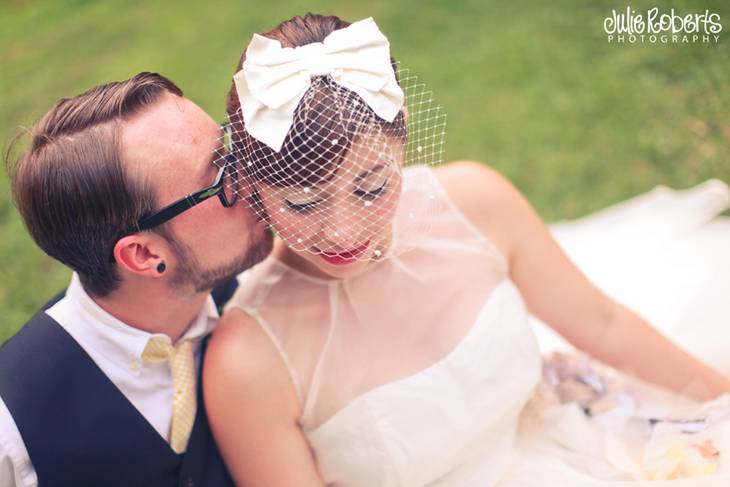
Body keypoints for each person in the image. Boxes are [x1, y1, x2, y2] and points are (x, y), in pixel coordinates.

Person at [204, 14, 730, 486]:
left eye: (370, 187)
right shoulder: (249, 362)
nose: (343, 233)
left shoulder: (475, 205)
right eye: (303, 204)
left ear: (403, 135)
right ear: (255, 189)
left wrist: (722, 401)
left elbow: (604, 325)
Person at [0, 72, 272, 487]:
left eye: (230, 149)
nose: (253, 180)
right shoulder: (13, 427)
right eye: (219, 177)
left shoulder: (269, 288)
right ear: (143, 255)